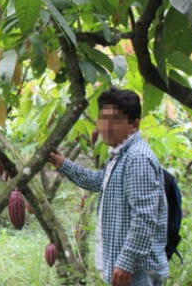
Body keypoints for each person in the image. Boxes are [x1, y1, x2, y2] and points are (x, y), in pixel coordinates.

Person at [48, 88, 169, 286]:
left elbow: (145, 217)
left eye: (116, 120)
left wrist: (126, 263)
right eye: (103, 118)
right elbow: (98, 181)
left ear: (134, 124)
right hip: (129, 270)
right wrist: (61, 163)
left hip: (137, 272)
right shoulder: (120, 154)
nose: (106, 126)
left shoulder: (137, 158)